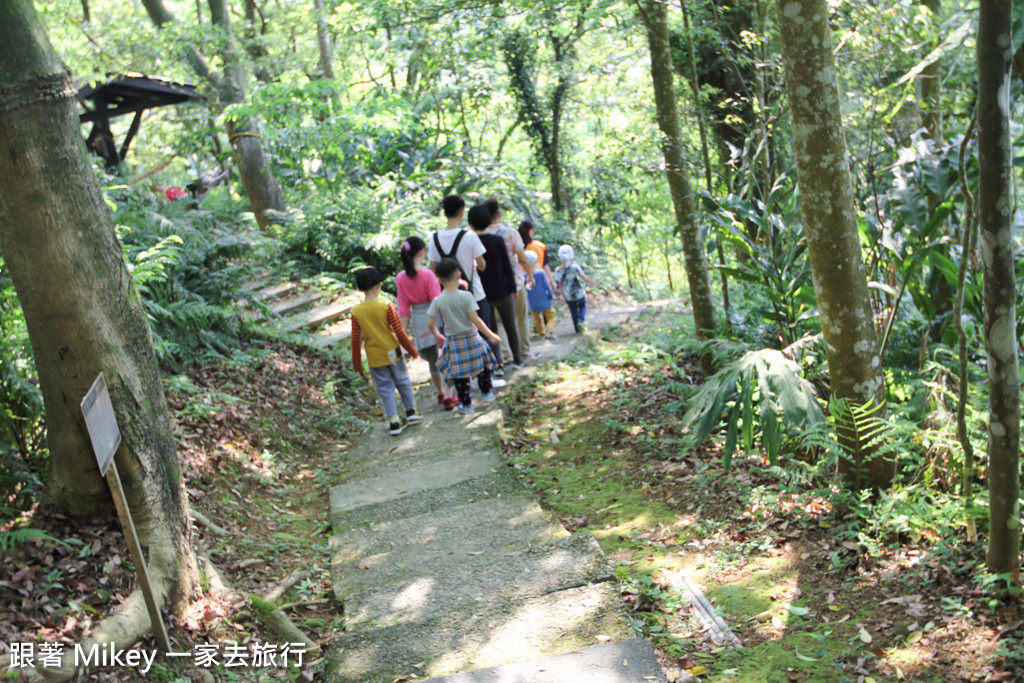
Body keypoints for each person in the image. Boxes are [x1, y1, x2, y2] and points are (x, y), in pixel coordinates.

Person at [350, 267, 422, 435]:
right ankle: (411, 411)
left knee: (384, 388)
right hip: (393, 351)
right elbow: (399, 332)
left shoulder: (356, 311)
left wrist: (356, 364)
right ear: (379, 285)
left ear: (360, 289)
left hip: (374, 357)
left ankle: (394, 421)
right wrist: (413, 351)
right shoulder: (386, 305)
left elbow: (355, 340)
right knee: (402, 380)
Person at [428, 258, 502, 415]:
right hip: (471, 337)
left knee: (459, 375)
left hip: (454, 341)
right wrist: (491, 334)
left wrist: (437, 334)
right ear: (458, 275)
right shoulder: (467, 296)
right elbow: (475, 319)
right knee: (483, 366)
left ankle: (467, 404)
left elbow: (430, 323)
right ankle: (486, 393)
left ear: (439, 280)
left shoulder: (438, 300)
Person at [397, 236, 459, 411]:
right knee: (446, 357)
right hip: (435, 318)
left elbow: (403, 308)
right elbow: (437, 301)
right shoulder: (428, 275)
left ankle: (440, 392)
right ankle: (449, 395)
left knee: (433, 360)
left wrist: (402, 334)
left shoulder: (400, 277)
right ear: (422, 253)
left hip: (418, 320)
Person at [467, 204, 523, 370]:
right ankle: (518, 360)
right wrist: (513, 289)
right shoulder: (497, 240)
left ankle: (497, 363)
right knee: (511, 327)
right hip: (504, 290)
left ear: (470, 223)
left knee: (491, 329)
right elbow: (508, 267)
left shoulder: (470, 243)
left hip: (483, 294)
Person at [483, 198, 536, 362]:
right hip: (515, 283)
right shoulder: (510, 233)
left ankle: (505, 355)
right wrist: (531, 276)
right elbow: (523, 258)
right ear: (499, 214)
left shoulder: (480, 235)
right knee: (521, 319)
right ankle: (525, 353)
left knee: (498, 323)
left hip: (491, 287)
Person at [428, 195, 489, 324]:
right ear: (461, 213)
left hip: (449, 299)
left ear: (444, 213)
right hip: (474, 295)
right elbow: (482, 266)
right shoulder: (470, 236)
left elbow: (434, 269)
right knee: (484, 337)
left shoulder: (434, 238)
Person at [554, 245, 597, 334]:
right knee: (583, 305)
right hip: (578, 292)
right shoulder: (575, 267)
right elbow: (584, 277)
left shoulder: (558, 270)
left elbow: (560, 285)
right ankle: (581, 320)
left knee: (573, 312)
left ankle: (577, 330)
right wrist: (592, 281)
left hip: (568, 295)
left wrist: (563, 296)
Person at [519, 220, 557, 297]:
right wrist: (552, 282)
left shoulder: (517, 248)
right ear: (530, 231)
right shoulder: (539, 246)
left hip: (522, 283)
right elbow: (545, 265)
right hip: (540, 281)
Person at [524, 250, 556, 340]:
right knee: (551, 316)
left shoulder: (524, 276)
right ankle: (549, 330)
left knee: (537, 319)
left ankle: (542, 333)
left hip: (533, 303)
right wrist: (551, 295)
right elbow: (547, 286)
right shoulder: (540, 273)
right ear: (535, 261)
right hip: (544, 301)